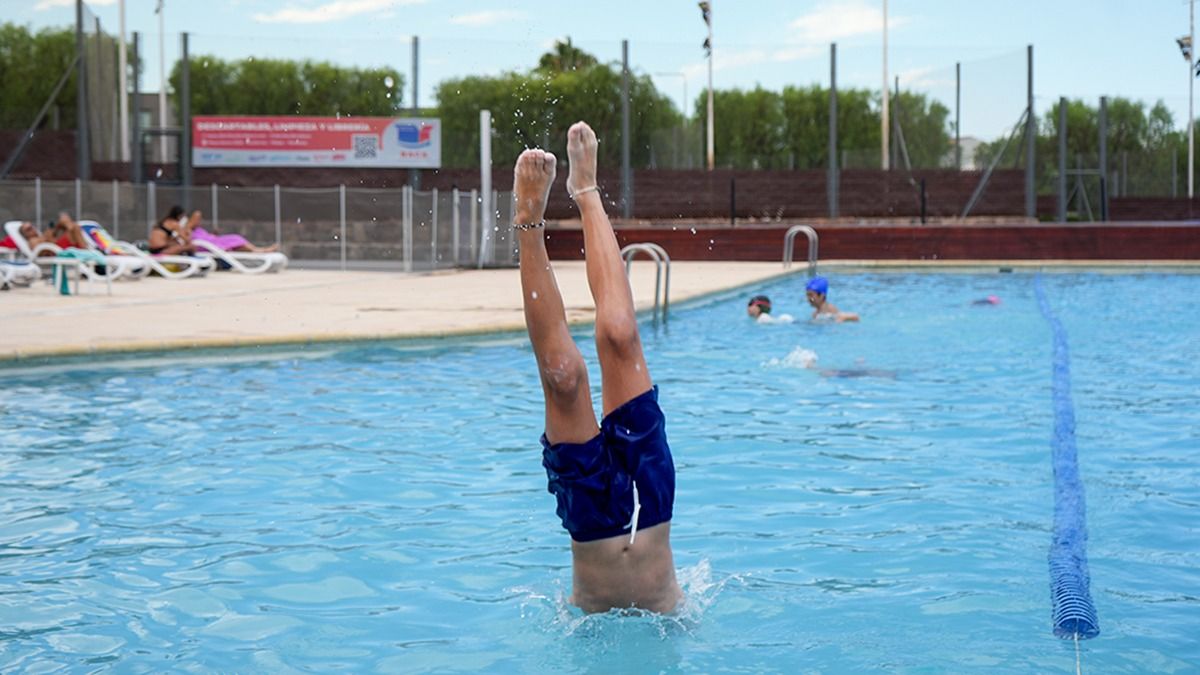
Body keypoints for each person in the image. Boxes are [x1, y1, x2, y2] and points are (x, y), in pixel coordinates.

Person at [515, 121, 681, 614]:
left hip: (592, 516)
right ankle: (584, 191)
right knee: (619, 334)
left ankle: (526, 217)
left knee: (562, 377)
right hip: (651, 496)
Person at [183, 209, 279, 253]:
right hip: (209, 246)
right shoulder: (187, 229)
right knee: (235, 238)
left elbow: (205, 236)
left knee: (236, 243)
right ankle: (260, 250)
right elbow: (188, 239)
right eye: (197, 218)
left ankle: (258, 250)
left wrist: (213, 234)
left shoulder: (198, 229)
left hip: (215, 243)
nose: (199, 221)